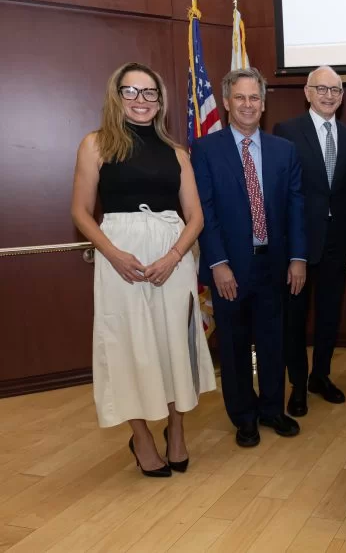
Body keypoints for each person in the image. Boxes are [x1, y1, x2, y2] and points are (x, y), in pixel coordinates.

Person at [71, 62, 216, 476]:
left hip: (172, 256)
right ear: (116, 97)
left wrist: (173, 257)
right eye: (131, 92)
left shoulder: (177, 152)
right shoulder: (95, 145)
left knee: (174, 345)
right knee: (128, 345)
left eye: (149, 92)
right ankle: (141, 436)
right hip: (120, 257)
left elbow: (196, 218)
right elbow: (80, 213)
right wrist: (114, 254)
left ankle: (175, 428)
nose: (141, 100)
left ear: (160, 100)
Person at [192, 67, 306, 447]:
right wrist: (218, 263)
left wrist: (298, 257)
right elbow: (204, 211)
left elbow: (295, 207)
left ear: (263, 102)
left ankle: (273, 409)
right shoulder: (205, 150)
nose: (247, 104)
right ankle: (244, 416)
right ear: (226, 102)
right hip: (230, 267)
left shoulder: (283, 150)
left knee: (274, 340)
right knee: (235, 344)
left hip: (275, 264)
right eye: (239, 97)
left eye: (254, 98)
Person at [273, 66, 346, 417]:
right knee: (295, 318)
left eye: (335, 90)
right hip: (298, 244)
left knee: (328, 315)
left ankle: (320, 376)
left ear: (341, 96)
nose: (328, 95)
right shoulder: (286, 132)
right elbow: (282, 195)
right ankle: (297, 384)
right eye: (321, 88)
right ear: (307, 93)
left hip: (338, 243)